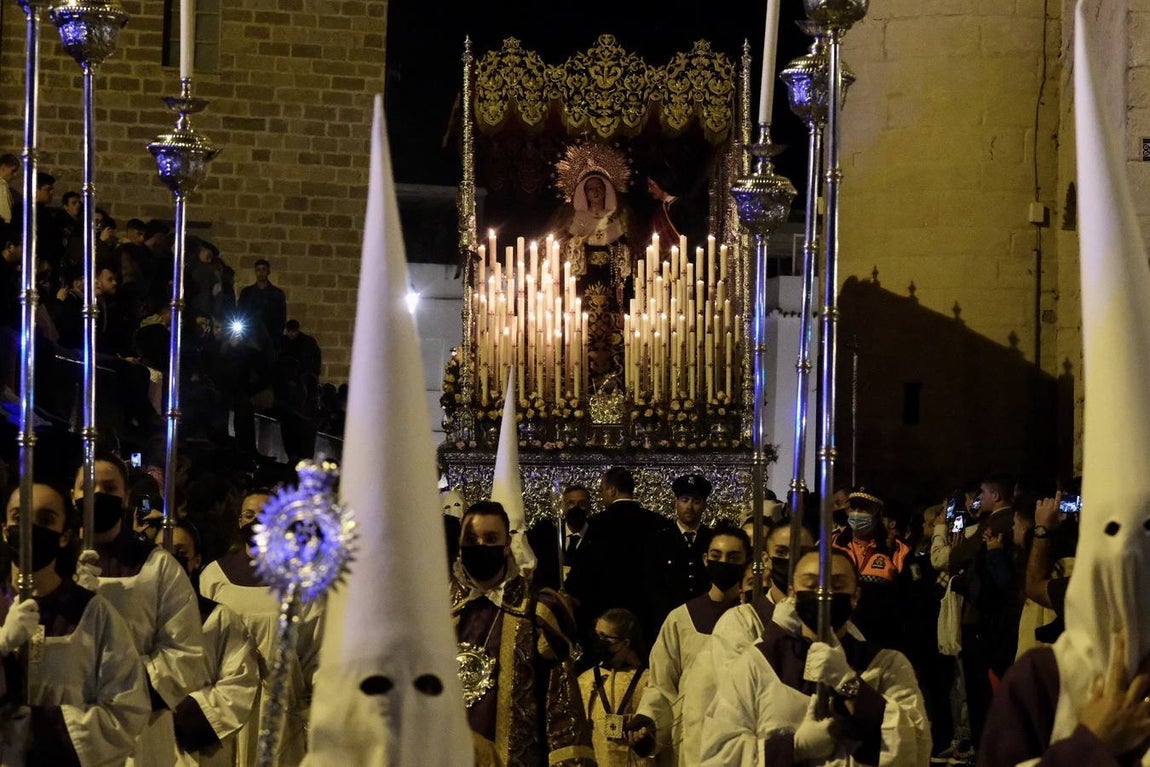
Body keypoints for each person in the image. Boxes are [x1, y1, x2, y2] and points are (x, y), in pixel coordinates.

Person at [700, 549, 932, 766]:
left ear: (855, 595)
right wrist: (793, 748)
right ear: (793, 594)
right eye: (811, 584)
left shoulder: (887, 664)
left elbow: (916, 748)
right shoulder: (758, 663)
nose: (824, 594)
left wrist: (849, 685)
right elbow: (718, 754)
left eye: (838, 585)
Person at [0, 479, 150, 764]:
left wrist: (32, 733)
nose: (30, 529)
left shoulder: (93, 613)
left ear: (65, 535)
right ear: (4, 530)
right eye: (19, 518)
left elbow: (127, 709)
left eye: (46, 519)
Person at [72, 452, 208, 764]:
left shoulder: (158, 566)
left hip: (139, 726)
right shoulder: (54, 565)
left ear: (126, 496)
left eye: (109, 487)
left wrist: (123, 690)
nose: (98, 495)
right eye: (88, 486)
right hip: (68, 719)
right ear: (73, 495)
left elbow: (184, 650)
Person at [450, 500, 595, 766]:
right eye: (471, 539)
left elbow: (561, 709)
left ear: (507, 545)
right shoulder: (442, 613)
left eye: (490, 538)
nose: (480, 546)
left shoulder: (536, 613)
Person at [198, 486, 324, 766]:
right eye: (249, 514)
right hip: (226, 705)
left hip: (280, 706)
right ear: (240, 521)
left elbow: (313, 648)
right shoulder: (215, 576)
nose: (256, 522)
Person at [630, 523, 751, 766]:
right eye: (717, 556)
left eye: (733, 557)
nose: (724, 563)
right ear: (705, 559)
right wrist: (648, 720)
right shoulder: (681, 619)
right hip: (692, 740)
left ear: (747, 562)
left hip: (743, 740)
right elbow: (662, 684)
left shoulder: (754, 620)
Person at [169, 519, 260, 766]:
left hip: (201, 748)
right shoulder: (135, 620)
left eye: (181, 553)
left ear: (196, 559)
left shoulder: (219, 619)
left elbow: (240, 682)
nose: (171, 558)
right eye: (163, 550)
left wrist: (183, 718)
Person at [549, 143, 641, 387]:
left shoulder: (620, 216)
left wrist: (620, 250)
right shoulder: (572, 219)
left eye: (599, 188)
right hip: (583, 291)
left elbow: (631, 247)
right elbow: (561, 252)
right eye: (590, 189)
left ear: (606, 189)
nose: (595, 193)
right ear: (584, 193)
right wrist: (576, 245)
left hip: (613, 291)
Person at [577, 608, 654, 767]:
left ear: (625, 642)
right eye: (597, 634)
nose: (598, 641)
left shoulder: (649, 681)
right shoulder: (586, 680)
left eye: (604, 637)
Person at [648, 473, 715, 632]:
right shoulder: (659, 539)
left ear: (704, 505)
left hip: (705, 620)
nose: (690, 507)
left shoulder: (713, 538)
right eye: (684, 500)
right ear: (676, 503)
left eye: (696, 501)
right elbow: (652, 583)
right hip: (668, 620)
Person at [237, 258, 287, 345]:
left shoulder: (277, 293)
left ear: (268, 271)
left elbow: (281, 316)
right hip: (250, 337)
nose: (261, 273)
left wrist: (276, 336)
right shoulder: (247, 293)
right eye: (258, 270)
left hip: (270, 337)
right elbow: (240, 312)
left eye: (264, 269)